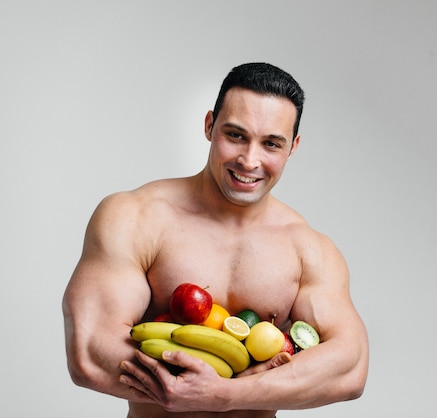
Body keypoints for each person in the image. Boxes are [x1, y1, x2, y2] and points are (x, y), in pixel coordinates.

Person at [62, 62, 369, 418]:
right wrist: (245, 385)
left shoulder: (308, 249)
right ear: (210, 125)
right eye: (236, 135)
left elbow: (351, 366)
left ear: (293, 147)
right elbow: (89, 351)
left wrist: (226, 393)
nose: (249, 160)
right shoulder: (135, 217)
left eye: (271, 144)